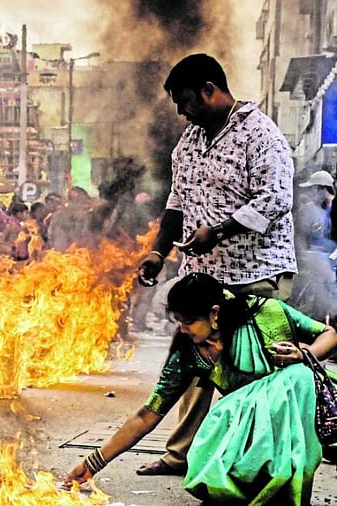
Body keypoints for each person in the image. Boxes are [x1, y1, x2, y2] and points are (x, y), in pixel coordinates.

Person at [135, 53, 297, 476]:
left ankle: (256, 460)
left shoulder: (260, 135)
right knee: (193, 361)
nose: (182, 111)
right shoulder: (188, 142)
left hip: (256, 273)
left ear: (211, 89)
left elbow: (276, 199)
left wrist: (219, 232)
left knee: (252, 370)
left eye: (187, 100)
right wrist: (158, 250)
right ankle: (180, 455)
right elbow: (176, 202)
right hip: (204, 277)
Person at [66, 272, 337, 505]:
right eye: (178, 323)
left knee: (297, 377)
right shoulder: (187, 354)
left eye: (188, 322)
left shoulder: (267, 313)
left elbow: (329, 334)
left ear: (214, 313)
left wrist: (305, 355)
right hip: (245, 429)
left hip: (293, 415)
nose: (182, 330)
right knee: (225, 418)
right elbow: (147, 414)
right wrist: (93, 463)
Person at [292, 169, 337, 321]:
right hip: (317, 265)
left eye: (313, 188)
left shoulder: (331, 209)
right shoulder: (309, 211)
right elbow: (300, 238)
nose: (311, 193)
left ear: (322, 189)